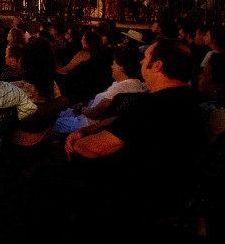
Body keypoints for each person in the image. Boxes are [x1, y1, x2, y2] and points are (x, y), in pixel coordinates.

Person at [63, 41, 204, 189]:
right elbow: (125, 122)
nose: (141, 61)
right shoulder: (189, 98)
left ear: (157, 65)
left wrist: (73, 144)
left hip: (135, 191)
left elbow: (96, 147)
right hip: (175, 187)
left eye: (146, 57)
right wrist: (90, 128)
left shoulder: (151, 105)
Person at [54, 47, 148, 133]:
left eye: (114, 64)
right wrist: (84, 104)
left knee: (52, 120)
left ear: (121, 67)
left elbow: (96, 113)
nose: (111, 67)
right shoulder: (136, 84)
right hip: (85, 118)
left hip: (85, 125)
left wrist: (81, 108)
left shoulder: (119, 88)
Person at [10, 39, 64, 146]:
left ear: (25, 63)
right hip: (45, 135)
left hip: (18, 140)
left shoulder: (13, 88)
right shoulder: (53, 86)